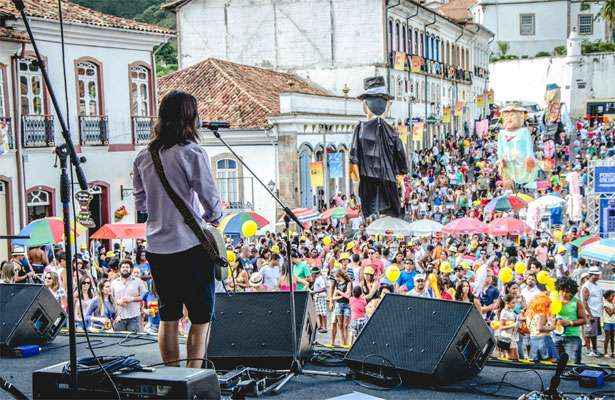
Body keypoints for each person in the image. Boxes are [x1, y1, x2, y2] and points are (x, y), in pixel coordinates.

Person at [134, 90, 223, 368]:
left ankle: (171, 380)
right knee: (200, 319)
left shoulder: (143, 157)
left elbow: (141, 203)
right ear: (190, 118)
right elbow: (208, 196)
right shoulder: (192, 153)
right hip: (190, 245)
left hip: (158, 247)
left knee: (168, 317)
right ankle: (192, 378)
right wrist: (214, 216)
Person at [553, 276, 586, 364]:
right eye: (561, 291)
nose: (564, 293)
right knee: (556, 364)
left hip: (573, 338)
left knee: (572, 365)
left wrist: (569, 323)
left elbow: (584, 320)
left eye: (567, 291)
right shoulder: (554, 301)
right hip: (557, 336)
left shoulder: (577, 302)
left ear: (572, 292)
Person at [110, 260, 145, 333]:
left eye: (127, 267)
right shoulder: (114, 283)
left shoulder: (138, 281)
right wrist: (118, 302)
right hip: (119, 317)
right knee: (118, 340)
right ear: (120, 269)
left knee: (133, 341)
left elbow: (144, 295)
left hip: (134, 317)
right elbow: (110, 298)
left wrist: (131, 299)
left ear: (131, 269)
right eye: (123, 267)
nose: (125, 269)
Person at [582, 266, 604, 357]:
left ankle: (594, 350)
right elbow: (584, 301)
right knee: (588, 332)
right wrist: (589, 314)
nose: (598, 276)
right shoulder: (586, 286)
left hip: (596, 313)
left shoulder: (596, 285)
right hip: (590, 313)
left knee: (594, 333)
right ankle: (588, 350)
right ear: (591, 275)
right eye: (596, 275)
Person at [330, 270, 352, 348]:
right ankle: (343, 343)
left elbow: (348, 295)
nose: (336, 279)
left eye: (336, 277)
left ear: (340, 276)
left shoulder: (348, 283)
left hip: (347, 305)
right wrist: (342, 296)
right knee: (340, 325)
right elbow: (333, 297)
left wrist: (339, 292)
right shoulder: (337, 284)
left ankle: (346, 343)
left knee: (346, 325)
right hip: (339, 304)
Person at [310, 267, 328, 333]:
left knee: (323, 313)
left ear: (315, 273)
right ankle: (321, 326)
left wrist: (315, 292)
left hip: (321, 297)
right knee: (319, 313)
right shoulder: (317, 279)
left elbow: (324, 288)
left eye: (312, 273)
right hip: (318, 297)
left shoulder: (320, 279)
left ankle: (325, 327)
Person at [603, 290, 615, 358]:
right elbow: (610, 313)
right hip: (607, 322)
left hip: (614, 322)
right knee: (607, 338)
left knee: (613, 338)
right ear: (607, 297)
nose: (613, 298)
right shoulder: (605, 303)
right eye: (612, 296)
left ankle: (613, 352)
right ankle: (605, 352)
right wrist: (613, 306)